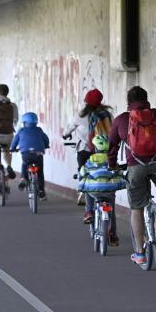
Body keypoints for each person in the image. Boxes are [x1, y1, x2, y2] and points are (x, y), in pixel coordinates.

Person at [108, 86, 156, 265]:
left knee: (136, 208)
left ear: (129, 102)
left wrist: (113, 165)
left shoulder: (122, 119)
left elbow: (112, 145)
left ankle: (139, 253)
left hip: (135, 166)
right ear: (146, 98)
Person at [62, 89, 114, 217]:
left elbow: (69, 128)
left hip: (85, 150)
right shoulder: (106, 114)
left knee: (85, 175)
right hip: (104, 151)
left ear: (86, 101)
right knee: (106, 176)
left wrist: (65, 135)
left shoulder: (81, 115)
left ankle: (89, 209)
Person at [77, 134, 125, 246]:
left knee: (88, 187)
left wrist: (80, 175)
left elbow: (83, 172)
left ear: (95, 148)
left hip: (94, 192)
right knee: (111, 211)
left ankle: (89, 211)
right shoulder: (111, 160)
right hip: (109, 191)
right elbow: (119, 172)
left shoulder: (90, 160)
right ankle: (112, 234)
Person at [10, 112, 50, 199]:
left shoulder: (21, 130)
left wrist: (12, 148)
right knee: (39, 172)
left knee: (25, 164)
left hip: (26, 153)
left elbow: (15, 140)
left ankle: (23, 178)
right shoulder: (39, 130)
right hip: (38, 153)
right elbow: (46, 139)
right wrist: (46, 145)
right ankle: (41, 191)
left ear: (24, 122)